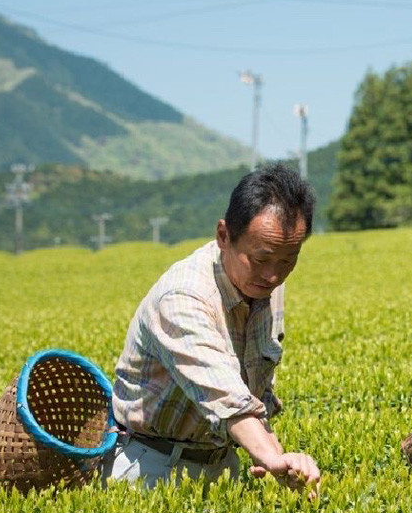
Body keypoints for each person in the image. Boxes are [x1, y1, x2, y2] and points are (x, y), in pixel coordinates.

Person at [104, 163, 321, 496]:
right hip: (150, 468)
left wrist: (278, 460)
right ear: (224, 236)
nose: (274, 275)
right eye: (261, 259)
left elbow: (255, 387)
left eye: (288, 259)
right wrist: (268, 455)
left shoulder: (265, 287)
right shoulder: (183, 297)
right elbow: (223, 392)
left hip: (220, 463)